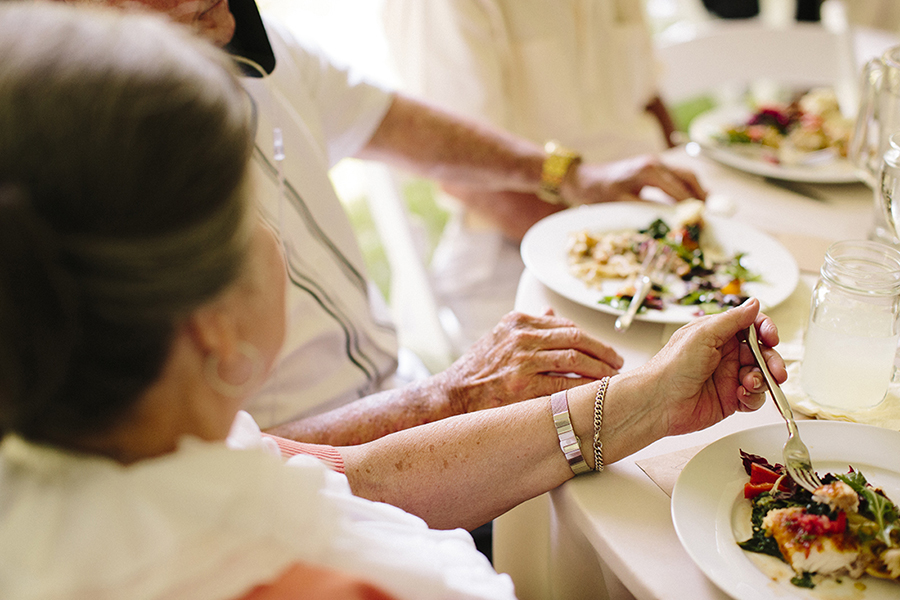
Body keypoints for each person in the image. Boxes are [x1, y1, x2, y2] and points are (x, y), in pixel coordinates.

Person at [0, 3, 786, 598]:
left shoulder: (158, 444)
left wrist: (650, 399)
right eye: (243, 213)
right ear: (213, 332)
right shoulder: (335, 584)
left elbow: (360, 476)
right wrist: (447, 394)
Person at [50, 0, 707, 448]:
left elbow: (393, 122)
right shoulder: (74, 197)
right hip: (330, 476)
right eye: (197, 15)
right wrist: (448, 398)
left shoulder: (257, 40)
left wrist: (564, 172)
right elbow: (219, 470)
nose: (228, 27)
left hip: (403, 395)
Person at [381, 0, 693, 346]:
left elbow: (648, 97)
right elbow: (462, 174)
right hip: (516, 252)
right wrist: (613, 254)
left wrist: (684, 191)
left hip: (652, 230)